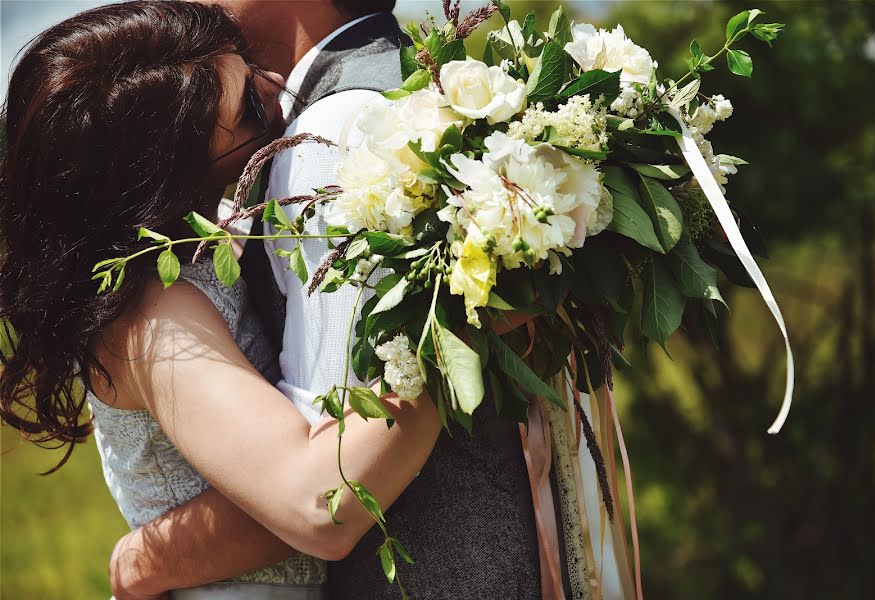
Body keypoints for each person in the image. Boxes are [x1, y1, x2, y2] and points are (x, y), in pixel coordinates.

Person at [109, 1, 551, 599]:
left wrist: (148, 556)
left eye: (249, 109)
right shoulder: (407, 85)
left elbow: (326, 487)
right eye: (244, 109)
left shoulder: (332, 130)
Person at [0, 2, 441, 598]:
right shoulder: (152, 318)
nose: (281, 95)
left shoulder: (192, 257)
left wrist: (147, 558)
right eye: (251, 110)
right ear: (165, 179)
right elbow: (317, 506)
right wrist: (463, 319)